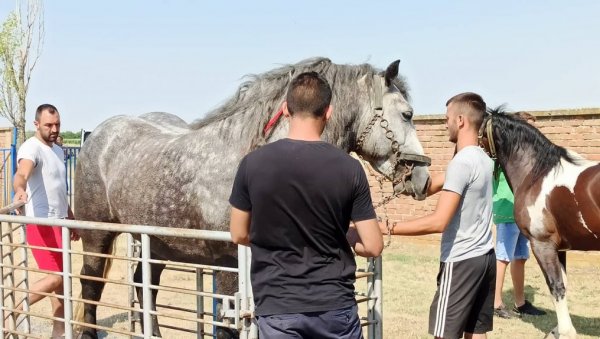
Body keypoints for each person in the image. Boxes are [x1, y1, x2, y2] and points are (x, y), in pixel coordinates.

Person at [229, 71, 383, 338]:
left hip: (278, 309)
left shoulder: (251, 164)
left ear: (286, 109)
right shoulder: (350, 169)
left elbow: (238, 233)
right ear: (329, 112)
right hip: (335, 308)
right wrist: (341, 232)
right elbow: (373, 245)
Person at [383, 92, 495, 339]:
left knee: (444, 334)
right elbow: (432, 185)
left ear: (461, 120)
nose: (445, 124)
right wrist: (406, 181)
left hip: (461, 261)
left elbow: (438, 221)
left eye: (447, 119)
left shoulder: (461, 163)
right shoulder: (483, 159)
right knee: (475, 331)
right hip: (485, 257)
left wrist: (388, 227)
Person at [10, 104, 79, 338]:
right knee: (56, 278)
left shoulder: (58, 150)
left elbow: (58, 189)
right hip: (40, 223)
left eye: (57, 124)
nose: (54, 128)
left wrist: (70, 217)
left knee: (62, 285)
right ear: (36, 124)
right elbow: (21, 174)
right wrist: (19, 190)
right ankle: (12, 310)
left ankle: (59, 333)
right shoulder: (31, 148)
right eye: (49, 124)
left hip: (60, 222)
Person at [493, 112, 546, 318]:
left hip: (523, 214)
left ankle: (520, 302)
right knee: (503, 257)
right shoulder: (503, 155)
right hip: (507, 213)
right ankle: (496, 303)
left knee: (520, 257)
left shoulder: (528, 158)